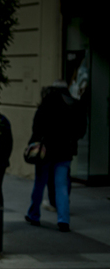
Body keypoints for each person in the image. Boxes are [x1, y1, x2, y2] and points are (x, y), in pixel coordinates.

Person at [25, 81, 87, 232]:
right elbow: (81, 130)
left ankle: (34, 214)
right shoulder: (75, 105)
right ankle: (63, 220)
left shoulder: (46, 104)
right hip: (65, 152)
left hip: (45, 151)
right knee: (62, 186)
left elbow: (36, 128)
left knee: (40, 183)